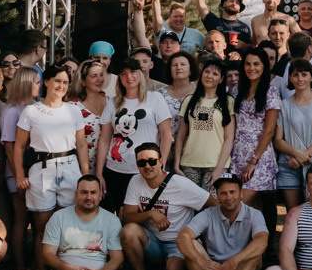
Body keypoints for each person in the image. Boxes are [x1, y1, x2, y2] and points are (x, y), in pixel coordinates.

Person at [117, 144, 214, 270]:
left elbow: (213, 205)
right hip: (153, 241)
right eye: (142, 163)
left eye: (152, 161)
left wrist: (198, 230)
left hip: (178, 243)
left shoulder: (180, 184)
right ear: (137, 165)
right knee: (128, 231)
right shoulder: (136, 181)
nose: (147, 166)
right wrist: (150, 214)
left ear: (161, 161)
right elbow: (128, 217)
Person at [13, 66, 87, 257]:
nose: (61, 86)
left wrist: (85, 175)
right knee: (43, 230)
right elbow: (19, 146)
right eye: (57, 81)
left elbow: (81, 145)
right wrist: (20, 176)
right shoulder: (31, 111)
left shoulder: (74, 111)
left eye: (65, 82)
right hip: (41, 170)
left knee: (69, 227)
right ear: (46, 81)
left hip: (70, 167)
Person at [39, 173, 126, 270]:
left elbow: (117, 259)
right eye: (84, 192)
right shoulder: (59, 217)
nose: (88, 197)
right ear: (76, 194)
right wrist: (69, 269)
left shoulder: (111, 220)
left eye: (93, 192)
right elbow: (47, 254)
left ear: (100, 195)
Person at [176, 176, 269, 270]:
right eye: (223, 193)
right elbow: (183, 237)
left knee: (255, 255)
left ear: (241, 193)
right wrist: (201, 261)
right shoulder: (208, 214)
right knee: (190, 246)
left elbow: (262, 241)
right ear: (217, 196)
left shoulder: (254, 214)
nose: (228, 197)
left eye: (232, 192)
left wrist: (235, 260)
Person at [99, 61, 173, 210]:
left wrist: (161, 165)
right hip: (115, 170)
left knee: (141, 215)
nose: (129, 77)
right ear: (119, 77)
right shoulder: (113, 103)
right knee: (117, 214)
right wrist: (99, 172)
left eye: (132, 72)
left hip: (146, 169)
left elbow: (166, 135)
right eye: (123, 74)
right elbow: (104, 139)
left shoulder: (155, 98)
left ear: (139, 74)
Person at [272, 59, 312, 212]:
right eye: (295, 75)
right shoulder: (284, 105)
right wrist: (297, 154)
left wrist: (303, 156)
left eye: (304, 74)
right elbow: (278, 140)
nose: (300, 79)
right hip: (288, 164)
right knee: (293, 213)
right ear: (290, 78)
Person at [226, 49, 280, 211]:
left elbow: (269, 131)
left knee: (241, 202)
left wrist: (253, 161)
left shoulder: (271, 92)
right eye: (248, 64)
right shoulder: (236, 91)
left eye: (256, 64)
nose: (251, 68)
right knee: (249, 209)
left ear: (264, 66)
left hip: (259, 156)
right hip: (237, 155)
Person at [174, 57, 234, 188]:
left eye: (215, 74)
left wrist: (220, 168)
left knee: (212, 205)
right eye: (207, 72)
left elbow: (229, 138)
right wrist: (176, 164)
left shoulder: (228, 102)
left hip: (215, 164)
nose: (209, 76)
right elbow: (180, 135)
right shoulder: (189, 100)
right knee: (190, 206)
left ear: (221, 79)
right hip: (189, 163)